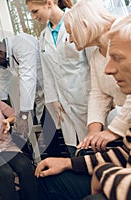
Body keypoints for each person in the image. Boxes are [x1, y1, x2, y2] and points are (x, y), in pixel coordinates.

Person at [33, 14, 131, 200]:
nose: (108, 69)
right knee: (49, 179)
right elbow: (98, 94)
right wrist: (69, 163)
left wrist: (103, 173)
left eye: (118, 58)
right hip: (118, 162)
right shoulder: (96, 56)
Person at [64, 0, 131, 152]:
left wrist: (113, 131)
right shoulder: (96, 56)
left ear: (85, 25)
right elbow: (98, 94)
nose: (69, 39)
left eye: (70, 32)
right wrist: (93, 133)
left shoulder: (126, 34)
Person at [26, 0, 91, 156]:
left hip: (87, 98)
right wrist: (54, 101)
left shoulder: (77, 21)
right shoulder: (43, 37)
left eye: (35, 11)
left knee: (96, 153)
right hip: (64, 106)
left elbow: (92, 63)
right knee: (74, 151)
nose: (33, 17)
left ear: (49, 3)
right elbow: (47, 74)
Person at [0, 33, 44, 136]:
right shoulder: (3, 58)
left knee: (57, 129)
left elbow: (27, 78)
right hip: (39, 94)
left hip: (50, 88)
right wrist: (4, 106)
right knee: (48, 128)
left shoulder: (20, 43)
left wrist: (24, 116)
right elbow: (3, 80)